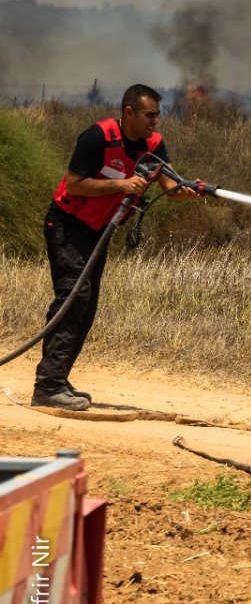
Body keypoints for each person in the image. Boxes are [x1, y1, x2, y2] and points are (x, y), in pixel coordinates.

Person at [31, 84, 199, 411]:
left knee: (87, 306)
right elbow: (76, 183)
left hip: (99, 233)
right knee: (73, 299)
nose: (156, 121)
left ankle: (57, 379)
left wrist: (192, 191)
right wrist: (123, 184)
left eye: (158, 115)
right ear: (129, 112)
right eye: (150, 115)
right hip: (67, 226)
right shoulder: (97, 138)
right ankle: (47, 388)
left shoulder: (154, 146)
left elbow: (170, 187)